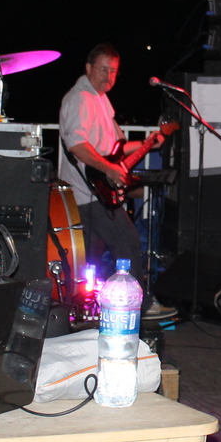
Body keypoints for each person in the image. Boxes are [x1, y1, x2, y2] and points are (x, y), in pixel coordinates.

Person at [58, 43, 171, 315]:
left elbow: (114, 147)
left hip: (96, 192)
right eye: (103, 69)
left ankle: (90, 311)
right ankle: (140, 306)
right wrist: (109, 170)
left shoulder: (100, 99)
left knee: (90, 259)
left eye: (113, 71)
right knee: (128, 243)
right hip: (87, 192)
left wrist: (146, 144)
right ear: (88, 68)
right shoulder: (80, 98)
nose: (108, 76)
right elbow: (77, 145)